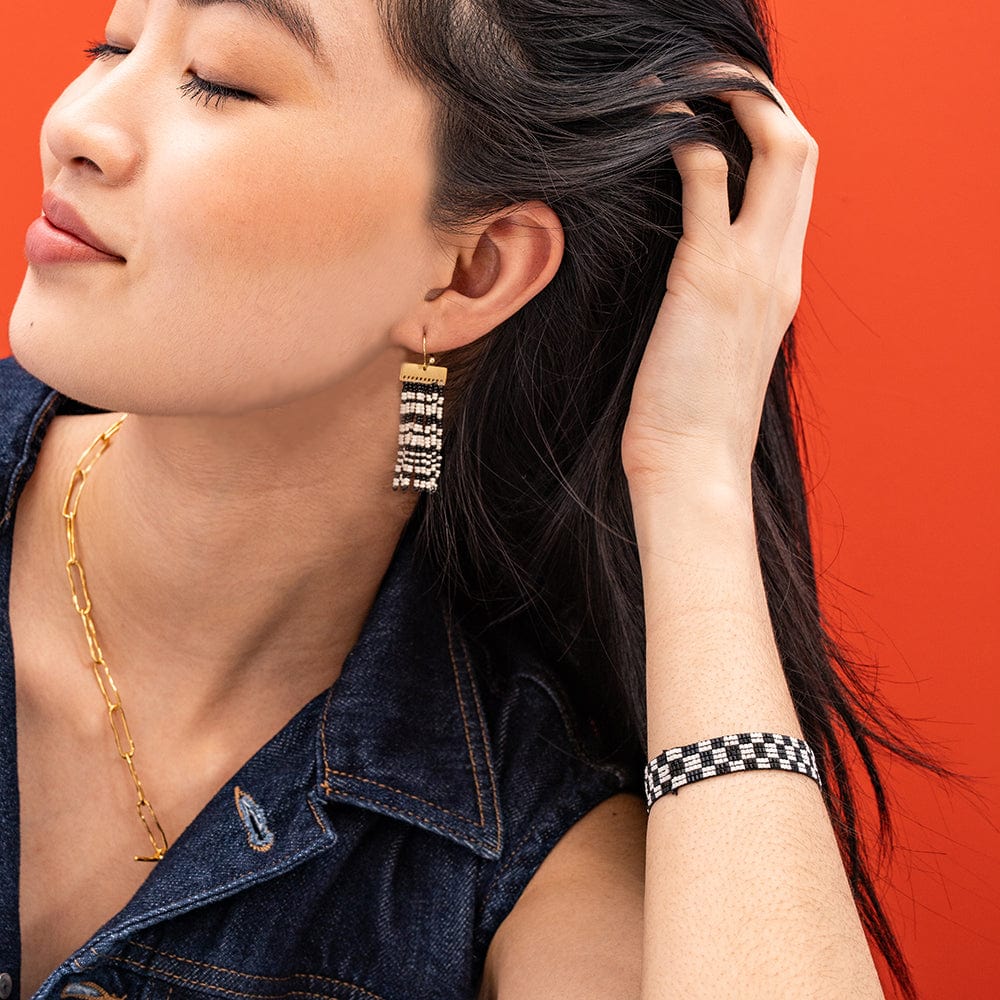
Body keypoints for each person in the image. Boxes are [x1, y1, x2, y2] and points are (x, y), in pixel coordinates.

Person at [0, 0, 969, 998]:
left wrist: (692, 475)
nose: (77, 124)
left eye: (221, 78)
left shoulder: (523, 849)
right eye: (115, 43)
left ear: (470, 271)